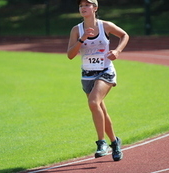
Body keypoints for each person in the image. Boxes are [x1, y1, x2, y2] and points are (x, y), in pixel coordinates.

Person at [67, 0, 129, 161]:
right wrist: (82, 39)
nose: (83, 8)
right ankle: (115, 142)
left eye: (87, 5)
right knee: (100, 109)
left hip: (105, 71)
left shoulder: (105, 26)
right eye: (81, 6)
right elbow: (70, 55)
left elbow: (124, 35)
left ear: (95, 8)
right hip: (87, 74)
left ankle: (102, 143)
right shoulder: (76, 30)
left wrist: (117, 50)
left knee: (93, 103)